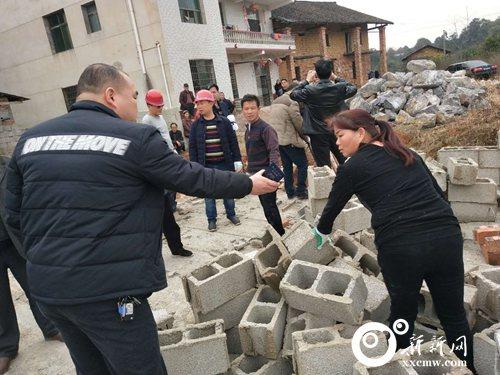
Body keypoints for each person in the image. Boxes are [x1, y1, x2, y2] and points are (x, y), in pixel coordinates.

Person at [4, 63, 279, 375]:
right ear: (110, 95)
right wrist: (247, 184)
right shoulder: (134, 138)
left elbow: (13, 216)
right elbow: (190, 177)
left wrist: (46, 261)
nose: (136, 105)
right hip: (113, 296)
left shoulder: (31, 141)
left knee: (91, 368)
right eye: (133, 96)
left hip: (52, 293)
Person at [312, 109, 475, 372]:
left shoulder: (352, 167)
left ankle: (400, 368)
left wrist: (320, 232)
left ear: (361, 133)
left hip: (401, 246)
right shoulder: (407, 153)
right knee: (454, 316)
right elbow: (439, 196)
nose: (337, 143)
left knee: (403, 317)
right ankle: (468, 369)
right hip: (446, 236)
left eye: (341, 136)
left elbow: (331, 210)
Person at [0, 158, 63, 375]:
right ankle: (6, 347)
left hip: (15, 241)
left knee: (35, 287)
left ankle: (51, 328)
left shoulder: (10, 166)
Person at [189, 89, 244, 232]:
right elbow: (193, 148)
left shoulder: (224, 122)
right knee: (208, 194)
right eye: (197, 103)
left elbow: (233, 143)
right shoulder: (196, 125)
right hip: (206, 166)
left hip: (224, 163)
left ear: (211, 103)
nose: (199, 106)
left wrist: (237, 160)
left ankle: (231, 214)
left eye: (202, 103)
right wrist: (194, 166)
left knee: (228, 191)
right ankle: (211, 220)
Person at [290, 58, 357, 168]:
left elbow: (293, 94)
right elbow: (353, 88)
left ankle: (328, 185)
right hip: (337, 130)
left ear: (316, 73)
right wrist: (336, 78)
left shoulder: (309, 91)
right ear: (331, 72)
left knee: (324, 167)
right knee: (345, 161)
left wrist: (307, 80)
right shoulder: (339, 88)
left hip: (317, 133)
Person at [242, 94, 285, 236]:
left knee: (270, 207)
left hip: (266, 174)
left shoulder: (266, 129)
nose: (249, 111)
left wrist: (272, 176)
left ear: (258, 109)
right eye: (246, 108)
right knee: (266, 208)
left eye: (252, 108)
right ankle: (275, 233)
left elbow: (274, 151)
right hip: (255, 175)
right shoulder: (249, 129)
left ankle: (280, 235)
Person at [260, 85, 308, 200]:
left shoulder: (276, 100)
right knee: (302, 164)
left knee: (287, 167)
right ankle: (301, 191)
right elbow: (298, 123)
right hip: (290, 140)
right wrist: (306, 136)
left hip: (278, 141)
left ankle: (290, 192)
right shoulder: (292, 102)